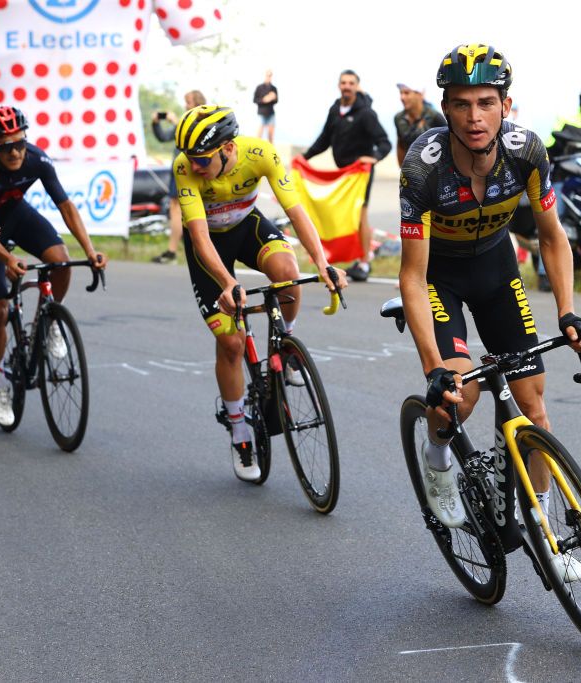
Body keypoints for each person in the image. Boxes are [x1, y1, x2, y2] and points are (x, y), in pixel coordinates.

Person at [398, 43, 581, 581]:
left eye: (486, 102)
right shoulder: (423, 167)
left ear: (506, 104)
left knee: (535, 409)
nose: (474, 116)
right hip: (441, 279)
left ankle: (547, 533)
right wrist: (431, 365)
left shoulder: (527, 151)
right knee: (462, 393)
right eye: (461, 104)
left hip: (497, 270)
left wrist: (568, 312)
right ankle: (438, 460)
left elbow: (553, 239)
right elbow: (412, 276)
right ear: (446, 109)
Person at [172, 104, 347, 482]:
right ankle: (239, 430)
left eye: (202, 159)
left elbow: (296, 211)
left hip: (247, 227)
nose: (195, 166)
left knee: (287, 272)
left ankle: (285, 344)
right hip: (209, 249)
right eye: (190, 159)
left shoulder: (260, 155)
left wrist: (322, 262)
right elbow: (200, 237)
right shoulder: (185, 168)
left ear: (228, 148)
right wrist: (227, 283)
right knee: (232, 343)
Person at [0, 105, 108, 429]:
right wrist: (7, 259)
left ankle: (51, 319)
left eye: (20, 143)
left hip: (16, 216)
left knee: (61, 260)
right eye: (7, 146)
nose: (15, 152)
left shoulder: (37, 159)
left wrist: (90, 249)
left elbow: (65, 205)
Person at [303, 69, 391, 282]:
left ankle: (364, 262)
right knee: (344, 216)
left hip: (360, 174)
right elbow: (324, 139)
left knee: (360, 216)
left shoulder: (366, 113)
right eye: (344, 82)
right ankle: (354, 256)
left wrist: (375, 157)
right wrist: (305, 159)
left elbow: (384, 142)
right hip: (343, 174)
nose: (347, 86)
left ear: (357, 86)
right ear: (339, 85)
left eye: (351, 83)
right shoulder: (335, 110)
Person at [151, 90, 208, 264]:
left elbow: (197, 138)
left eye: (188, 102)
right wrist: (155, 123)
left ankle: (172, 250)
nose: (186, 106)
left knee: (176, 209)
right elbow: (163, 137)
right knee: (182, 210)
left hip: (186, 169)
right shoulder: (185, 122)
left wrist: (177, 121)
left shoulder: (198, 123)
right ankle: (192, 248)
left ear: (197, 104)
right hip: (181, 169)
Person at [393, 81, 447, 166]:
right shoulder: (398, 118)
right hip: (410, 168)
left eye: (406, 93)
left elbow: (450, 143)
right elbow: (400, 144)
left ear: (419, 95)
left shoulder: (434, 116)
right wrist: (402, 168)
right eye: (401, 93)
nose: (402, 97)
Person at [253, 70, 278, 142]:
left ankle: (271, 151)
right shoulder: (259, 87)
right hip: (261, 113)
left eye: (270, 75)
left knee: (270, 135)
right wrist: (264, 100)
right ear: (265, 76)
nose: (269, 77)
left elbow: (276, 101)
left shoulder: (274, 88)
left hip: (271, 113)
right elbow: (255, 100)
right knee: (259, 134)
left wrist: (273, 98)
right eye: (267, 75)